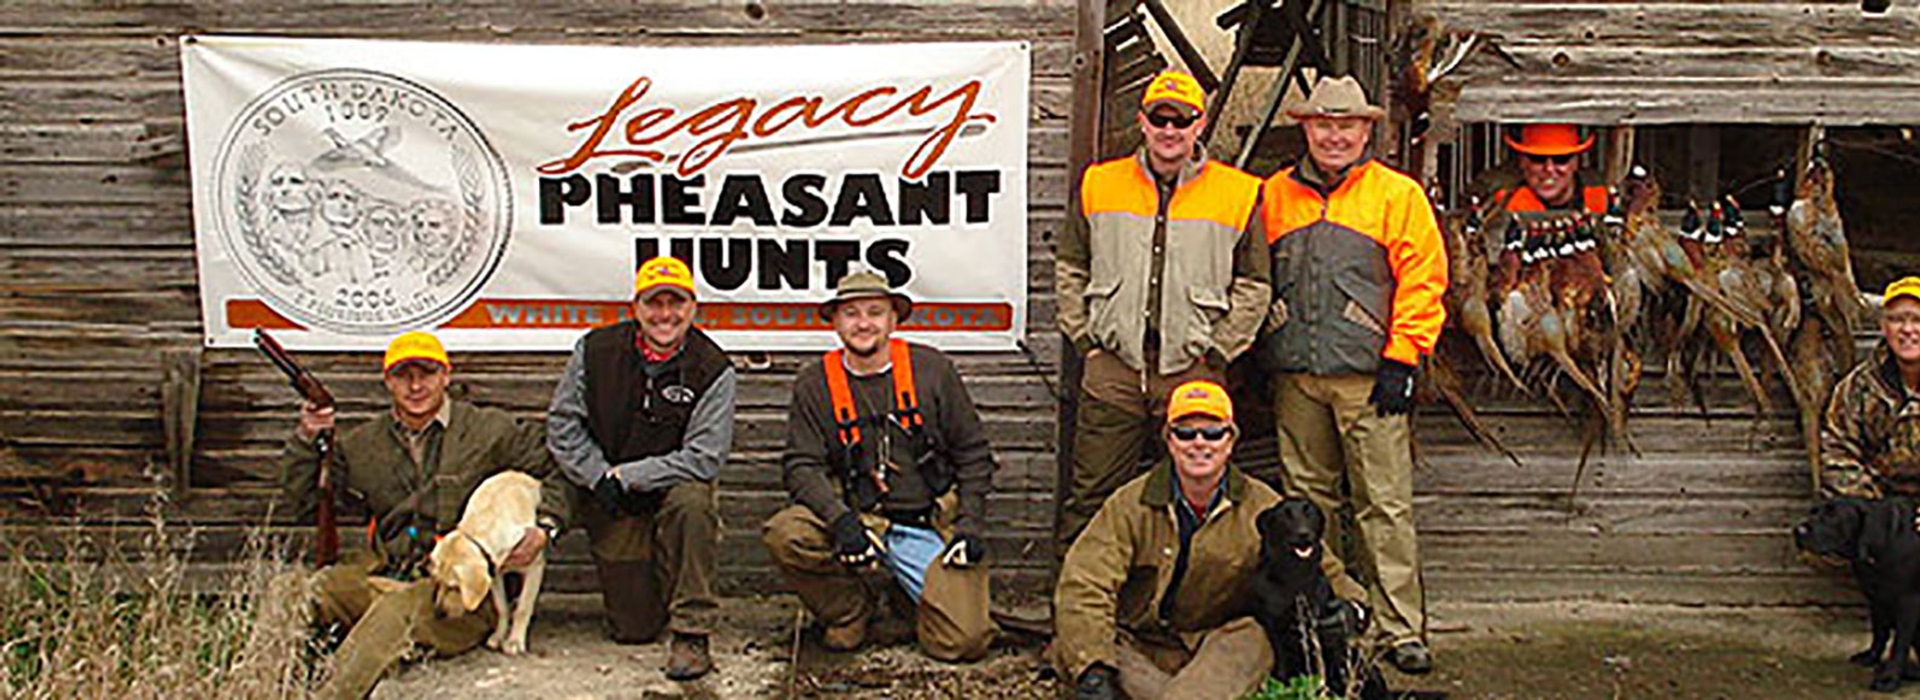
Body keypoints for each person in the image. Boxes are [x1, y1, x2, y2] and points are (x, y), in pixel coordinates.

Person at [1256, 75, 1449, 674]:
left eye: (1346, 126)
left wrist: (1403, 357)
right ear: (1306, 128)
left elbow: (1424, 279)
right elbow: (1252, 275)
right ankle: (1323, 614)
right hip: (1296, 376)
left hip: (1369, 379)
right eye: (1324, 125)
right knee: (1305, 508)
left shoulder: (1397, 195)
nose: (1335, 136)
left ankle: (1399, 628)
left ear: (1366, 130)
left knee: (1383, 504)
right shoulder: (1273, 195)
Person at [281, 330, 569, 700]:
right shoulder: (362, 444)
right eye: (403, 375)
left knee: (393, 614)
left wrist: (545, 528)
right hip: (384, 573)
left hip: (458, 595)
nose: (416, 386)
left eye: (427, 373)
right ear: (388, 382)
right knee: (305, 593)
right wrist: (307, 439)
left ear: (446, 376)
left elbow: (559, 471)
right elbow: (304, 502)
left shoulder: (488, 430)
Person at [1054, 68, 1270, 549]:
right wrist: (1086, 343)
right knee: (1092, 495)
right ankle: (1077, 593)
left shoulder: (1239, 192)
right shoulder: (1099, 183)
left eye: (1182, 120)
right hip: (1113, 368)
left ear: (1200, 124)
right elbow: (1070, 268)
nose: (1170, 130)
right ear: (1142, 121)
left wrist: (1218, 354)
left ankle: (1185, 591)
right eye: (1160, 118)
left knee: (1196, 493)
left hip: (1193, 369)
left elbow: (1255, 285)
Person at [762, 270, 998, 662]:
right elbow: (801, 465)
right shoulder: (814, 382)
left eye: (875, 312)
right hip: (861, 522)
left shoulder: (933, 370)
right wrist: (841, 521)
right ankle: (850, 609)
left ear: (893, 319)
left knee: (964, 641)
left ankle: (905, 601)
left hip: (927, 524)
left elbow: (973, 453)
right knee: (787, 533)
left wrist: (970, 524)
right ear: (836, 322)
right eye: (851, 313)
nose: (863, 323)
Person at [547, 256, 733, 680]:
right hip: (610, 496)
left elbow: (705, 455)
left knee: (694, 501)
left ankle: (692, 632)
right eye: (654, 303)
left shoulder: (714, 368)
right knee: (634, 628)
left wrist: (628, 476)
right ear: (636, 307)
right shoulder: (595, 350)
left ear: (693, 308)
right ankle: (657, 585)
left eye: (676, 303)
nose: (665, 314)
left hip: (669, 490)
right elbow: (562, 424)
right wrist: (597, 475)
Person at [1054, 380, 1278, 700]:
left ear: (1230, 441)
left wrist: (1348, 605)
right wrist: (1094, 669)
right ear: (1169, 441)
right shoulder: (1129, 504)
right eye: (1185, 433)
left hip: (1216, 647)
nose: (1199, 443)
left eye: (1213, 433)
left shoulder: (1263, 505)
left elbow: (1320, 566)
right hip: (1139, 645)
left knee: (1253, 639)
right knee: (1084, 646)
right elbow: (1085, 582)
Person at [1822, 277, 1920, 498]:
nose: (1907, 329)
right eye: (1897, 320)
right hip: (1879, 501)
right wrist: (1878, 505)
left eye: (1917, 320)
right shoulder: (1858, 387)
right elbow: (1835, 451)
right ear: (1884, 327)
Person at [1494, 123, 1608, 214]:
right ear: (1522, 162)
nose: (1549, 168)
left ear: (1575, 163)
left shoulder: (1603, 202)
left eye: (1560, 159)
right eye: (1538, 158)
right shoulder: (1503, 205)